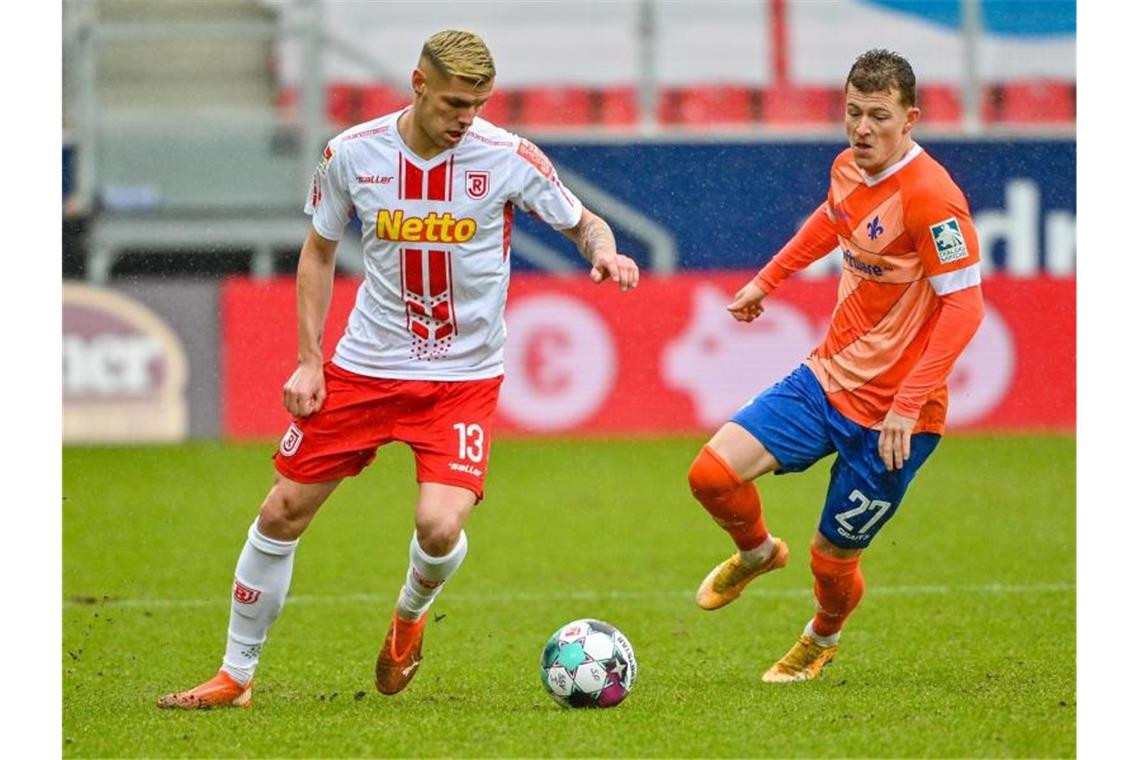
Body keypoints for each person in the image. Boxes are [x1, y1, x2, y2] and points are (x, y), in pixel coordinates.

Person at [158, 29, 639, 709]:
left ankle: (408, 620)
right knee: (281, 510)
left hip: (462, 379)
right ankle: (235, 675)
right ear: (417, 84)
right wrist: (308, 361)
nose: (464, 118)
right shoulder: (352, 154)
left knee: (440, 526)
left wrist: (606, 251)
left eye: (475, 104)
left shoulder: (506, 158)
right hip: (364, 368)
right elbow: (318, 252)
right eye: (452, 103)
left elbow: (583, 221)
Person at [688, 49, 984, 682]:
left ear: (911, 119)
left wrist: (907, 405)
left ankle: (820, 638)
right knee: (711, 475)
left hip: (895, 421)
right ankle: (758, 551)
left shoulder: (933, 196)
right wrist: (769, 280)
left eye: (878, 116)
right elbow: (832, 220)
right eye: (853, 113)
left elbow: (965, 306)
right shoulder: (847, 167)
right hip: (825, 381)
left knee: (831, 561)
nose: (862, 129)